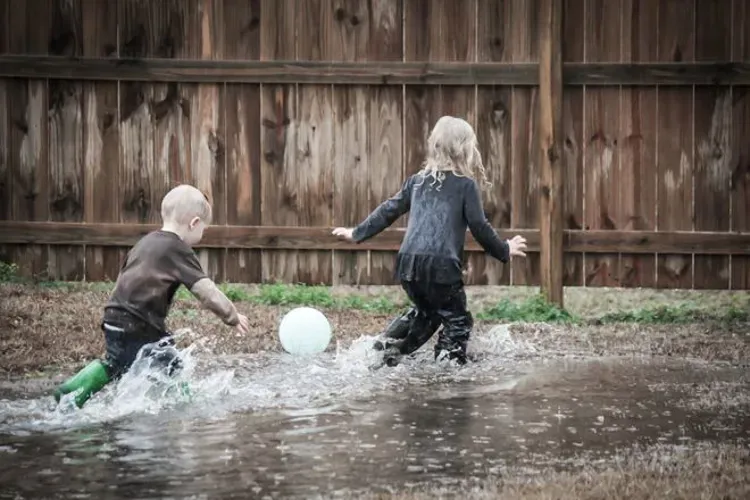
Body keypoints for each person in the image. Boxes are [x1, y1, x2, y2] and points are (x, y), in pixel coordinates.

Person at [333, 116, 527, 366]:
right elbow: (479, 226)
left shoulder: (417, 181)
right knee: (458, 321)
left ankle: (384, 351)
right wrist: (505, 249)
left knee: (427, 313)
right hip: (442, 267)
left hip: (408, 265)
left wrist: (356, 233)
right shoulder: (465, 185)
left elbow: (389, 209)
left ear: (434, 146)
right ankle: (448, 370)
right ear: (466, 150)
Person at [54, 184, 250, 408]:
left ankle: (73, 390)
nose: (202, 234)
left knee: (117, 363)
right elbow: (207, 293)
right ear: (194, 223)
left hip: (114, 317)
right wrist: (232, 316)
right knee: (171, 364)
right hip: (139, 323)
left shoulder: (145, 242)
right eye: (203, 229)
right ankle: (183, 406)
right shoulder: (178, 249)